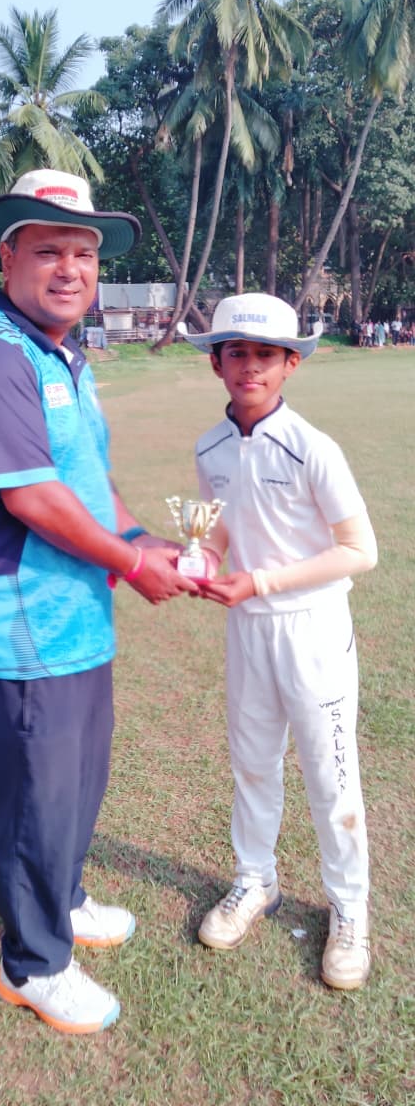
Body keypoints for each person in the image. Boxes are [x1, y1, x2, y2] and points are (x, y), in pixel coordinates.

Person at [0, 169, 198, 1035]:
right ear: (7, 258)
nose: (70, 269)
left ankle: (64, 896)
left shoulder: (65, 357)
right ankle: (33, 964)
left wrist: (142, 543)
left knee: (79, 778)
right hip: (14, 623)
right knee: (35, 796)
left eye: (83, 253)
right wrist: (126, 558)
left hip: (75, 615)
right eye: (48, 250)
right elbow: (32, 499)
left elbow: (84, 483)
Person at [182, 292, 378, 991]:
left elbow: (361, 550)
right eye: (236, 352)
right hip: (249, 633)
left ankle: (349, 911)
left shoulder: (312, 447)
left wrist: (260, 581)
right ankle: (253, 881)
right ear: (217, 363)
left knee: (331, 778)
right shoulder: (209, 447)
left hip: (314, 630)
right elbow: (213, 529)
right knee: (253, 765)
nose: (250, 367)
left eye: (266, 354)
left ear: (291, 363)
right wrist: (198, 556)